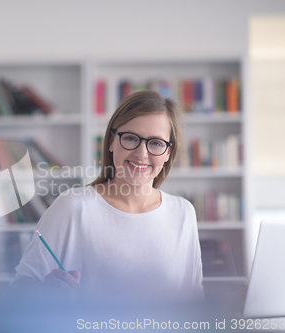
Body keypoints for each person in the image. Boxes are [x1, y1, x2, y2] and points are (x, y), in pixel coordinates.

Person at [12, 91, 204, 304]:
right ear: (111, 141)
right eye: (131, 138)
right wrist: (45, 291)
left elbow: (194, 299)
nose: (141, 154)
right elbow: (21, 284)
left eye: (156, 143)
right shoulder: (73, 206)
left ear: (169, 152)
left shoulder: (183, 212)